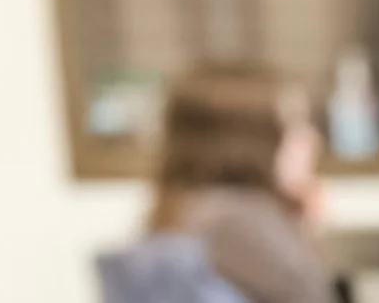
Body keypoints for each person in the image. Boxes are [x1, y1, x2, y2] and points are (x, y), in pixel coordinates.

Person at [139, 63, 337, 303]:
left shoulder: (189, 209)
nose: (312, 138)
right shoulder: (240, 222)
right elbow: (312, 297)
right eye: (294, 125)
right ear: (248, 142)